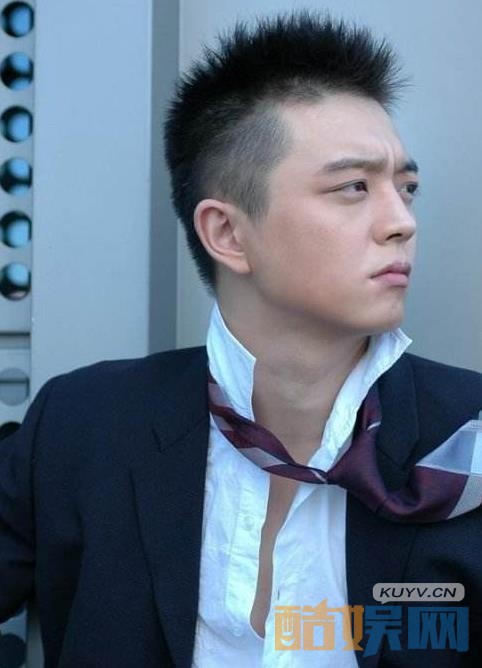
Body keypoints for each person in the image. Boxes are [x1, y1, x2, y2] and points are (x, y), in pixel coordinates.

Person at [1, 10, 481, 668]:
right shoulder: (82, 425)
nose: (401, 221)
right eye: (353, 187)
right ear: (227, 233)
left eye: (407, 188)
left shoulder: (467, 439)